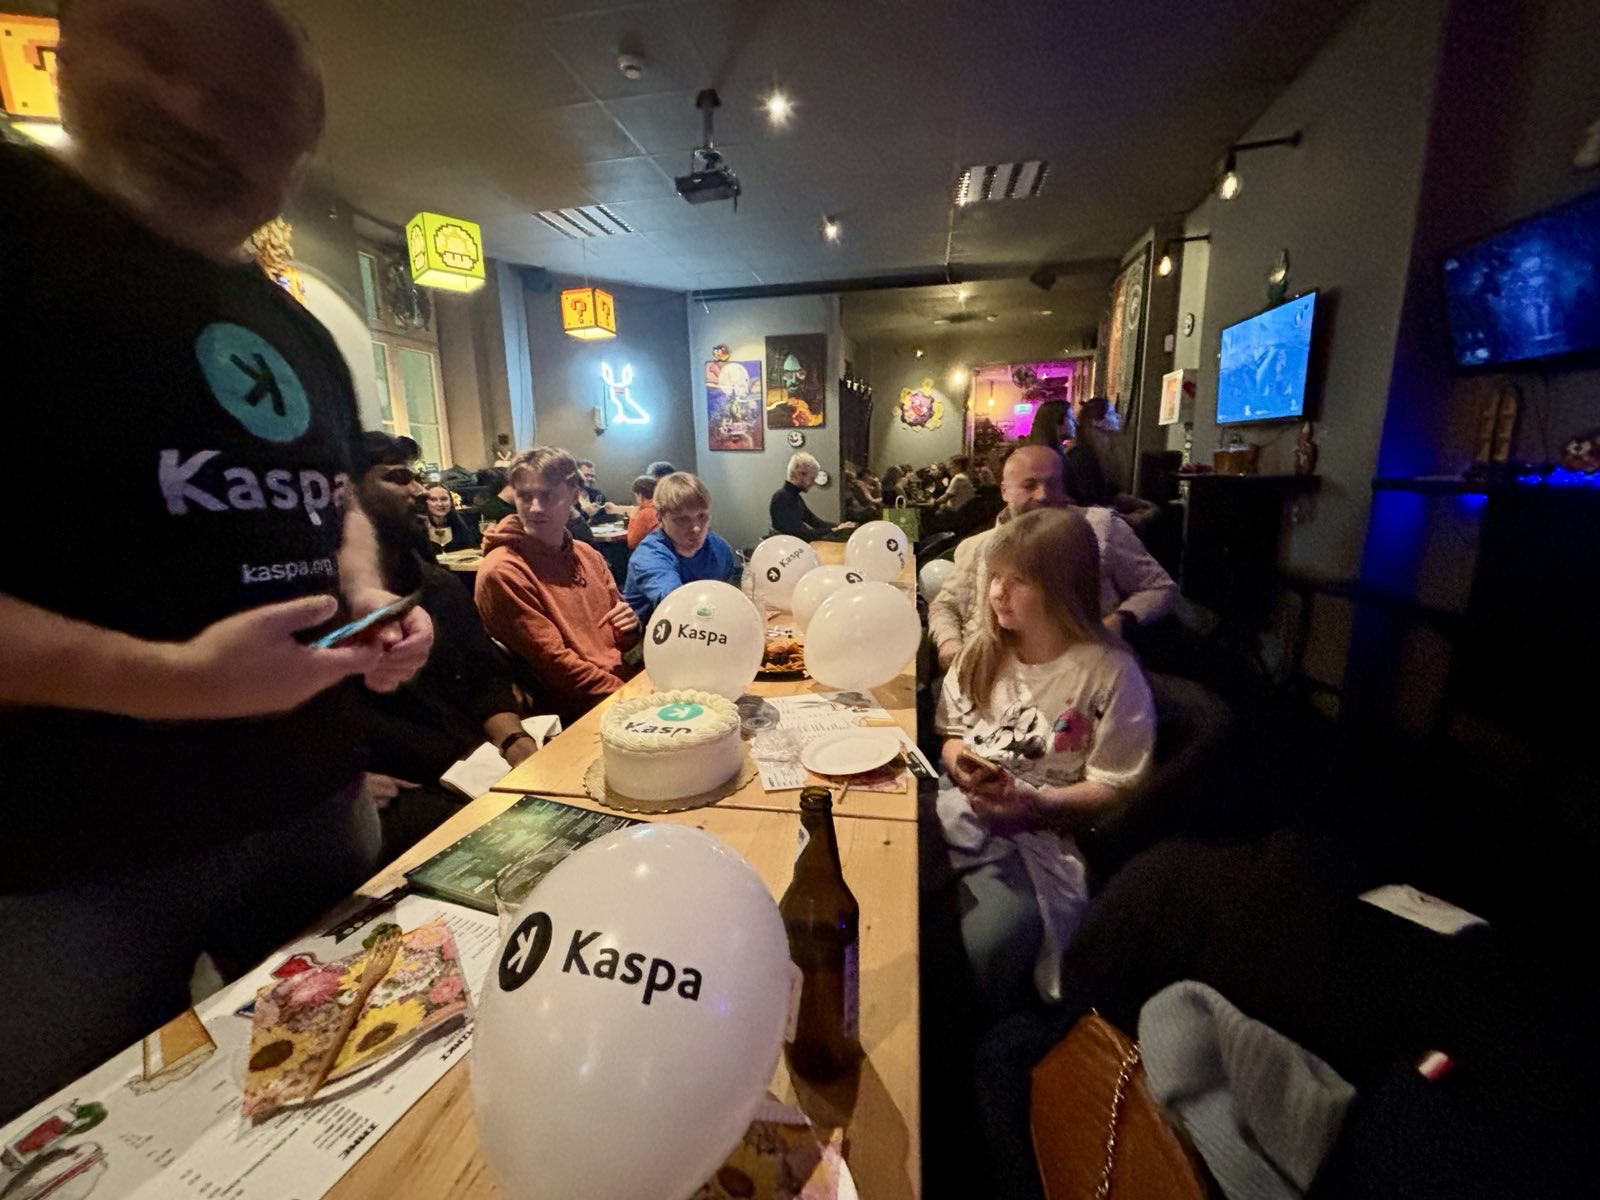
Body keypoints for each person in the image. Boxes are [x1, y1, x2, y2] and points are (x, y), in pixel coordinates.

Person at [0, 0, 433, 1121]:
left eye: (254, 111)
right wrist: (171, 680)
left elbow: (333, 493)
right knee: (76, 1152)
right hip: (65, 859)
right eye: (158, 51)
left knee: (364, 1100)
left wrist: (366, 593)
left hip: (314, 800)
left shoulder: (289, 322)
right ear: (73, 43)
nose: (196, 111)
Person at [935, 508, 1155, 1016]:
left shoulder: (1109, 673)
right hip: (963, 806)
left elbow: (1116, 785)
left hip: (1045, 834)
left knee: (990, 939)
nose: (998, 593)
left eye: (1019, 581)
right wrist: (960, 762)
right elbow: (951, 734)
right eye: (996, 577)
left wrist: (1034, 804)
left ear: (1063, 587)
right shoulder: (983, 652)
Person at [351, 435, 535, 855]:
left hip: (473, 765)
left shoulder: (439, 587)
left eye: (416, 477)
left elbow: (485, 680)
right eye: (398, 478)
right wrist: (341, 786)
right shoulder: (317, 605)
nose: (419, 490)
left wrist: (515, 741)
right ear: (346, 491)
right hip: (403, 796)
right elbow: (284, 725)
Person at [929, 445, 1177, 670]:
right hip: (990, 672)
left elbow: (1160, 587)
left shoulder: (1102, 528)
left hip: (1082, 671)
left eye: (1053, 484)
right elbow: (945, 605)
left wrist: (1121, 619)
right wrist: (949, 645)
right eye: (1030, 486)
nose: (1043, 495)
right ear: (1005, 491)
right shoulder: (975, 547)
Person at [475, 448, 640, 726]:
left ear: (574, 496)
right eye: (525, 496)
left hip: (616, 687)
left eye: (547, 496)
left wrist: (631, 627)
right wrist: (628, 698)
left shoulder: (587, 554)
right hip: (568, 712)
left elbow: (621, 638)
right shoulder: (503, 571)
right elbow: (555, 666)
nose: (535, 508)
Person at [623, 472, 736, 622]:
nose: (696, 528)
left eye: (702, 516)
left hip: (706, 628)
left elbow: (730, 599)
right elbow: (678, 605)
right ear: (660, 519)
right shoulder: (649, 557)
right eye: (682, 519)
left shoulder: (720, 548)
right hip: (652, 633)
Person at [770, 451, 855, 540]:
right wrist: (834, 530)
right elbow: (801, 534)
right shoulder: (782, 498)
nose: (813, 483)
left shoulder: (794, 497)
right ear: (800, 474)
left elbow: (815, 522)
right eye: (812, 478)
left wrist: (840, 526)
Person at [423, 482, 479, 551]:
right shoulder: (419, 527)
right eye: (433, 500)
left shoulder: (464, 522)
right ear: (425, 503)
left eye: (444, 499)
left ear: (451, 501)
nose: (440, 504)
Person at [575, 458, 617, 522]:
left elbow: (612, 516)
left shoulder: (597, 494)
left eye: (592, 476)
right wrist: (587, 514)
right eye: (586, 475)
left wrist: (592, 521)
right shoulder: (568, 497)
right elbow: (570, 522)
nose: (590, 479)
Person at [626, 474, 660, 550]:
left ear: (640, 495)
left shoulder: (644, 514)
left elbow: (632, 543)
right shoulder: (662, 507)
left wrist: (632, 518)